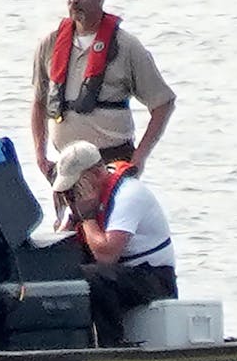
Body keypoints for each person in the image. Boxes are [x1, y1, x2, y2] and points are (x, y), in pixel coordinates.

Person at [30, 0, 177, 186]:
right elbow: (40, 102)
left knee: (109, 220)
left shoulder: (126, 46)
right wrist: (41, 157)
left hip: (112, 163)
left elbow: (163, 103)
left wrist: (139, 158)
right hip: (67, 166)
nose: (74, 2)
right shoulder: (50, 45)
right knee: (72, 222)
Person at [53, 140, 178, 346]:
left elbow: (106, 255)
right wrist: (71, 216)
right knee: (64, 271)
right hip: (120, 274)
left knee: (93, 276)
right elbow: (61, 244)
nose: (71, 193)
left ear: (92, 175)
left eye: (74, 186)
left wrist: (88, 217)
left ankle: (112, 344)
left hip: (154, 277)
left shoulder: (129, 194)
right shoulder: (84, 199)